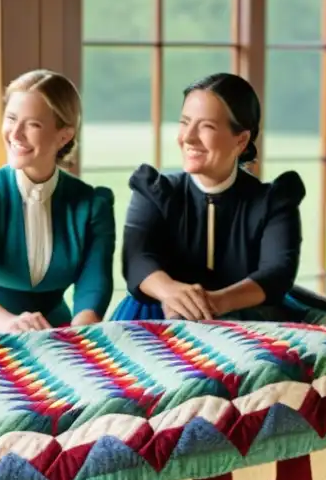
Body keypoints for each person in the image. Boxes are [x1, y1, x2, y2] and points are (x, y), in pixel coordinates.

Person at [110, 72, 306, 322]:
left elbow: (277, 273)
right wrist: (171, 293)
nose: (188, 137)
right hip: (157, 313)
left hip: (249, 317)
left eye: (206, 126)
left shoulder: (273, 202)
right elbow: (137, 260)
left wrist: (212, 303)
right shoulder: (154, 191)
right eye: (184, 122)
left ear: (241, 140)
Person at [0, 69, 115, 332]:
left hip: (57, 332)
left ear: (64, 136)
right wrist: (9, 324)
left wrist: (77, 338)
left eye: (33, 124)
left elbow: (94, 286)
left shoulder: (92, 204)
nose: (16, 134)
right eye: (11, 119)